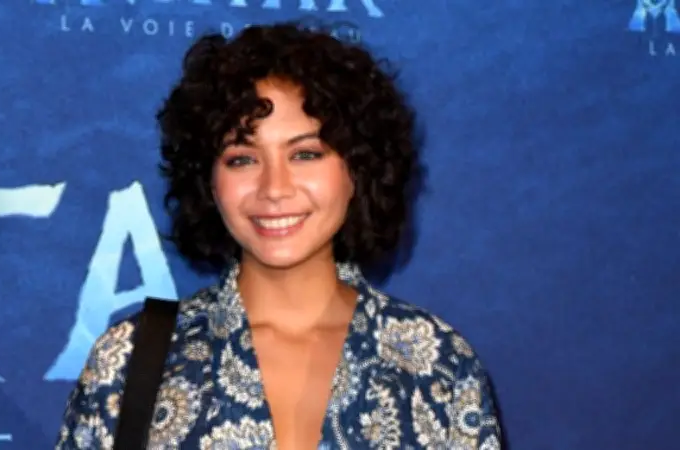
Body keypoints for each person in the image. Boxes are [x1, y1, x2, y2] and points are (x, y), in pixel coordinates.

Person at [56, 21, 503, 450]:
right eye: (242, 159)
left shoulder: (438, 365)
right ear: (208, 181)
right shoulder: (128, 360)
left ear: (358, 170)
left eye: (305, 154)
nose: (274, 188)